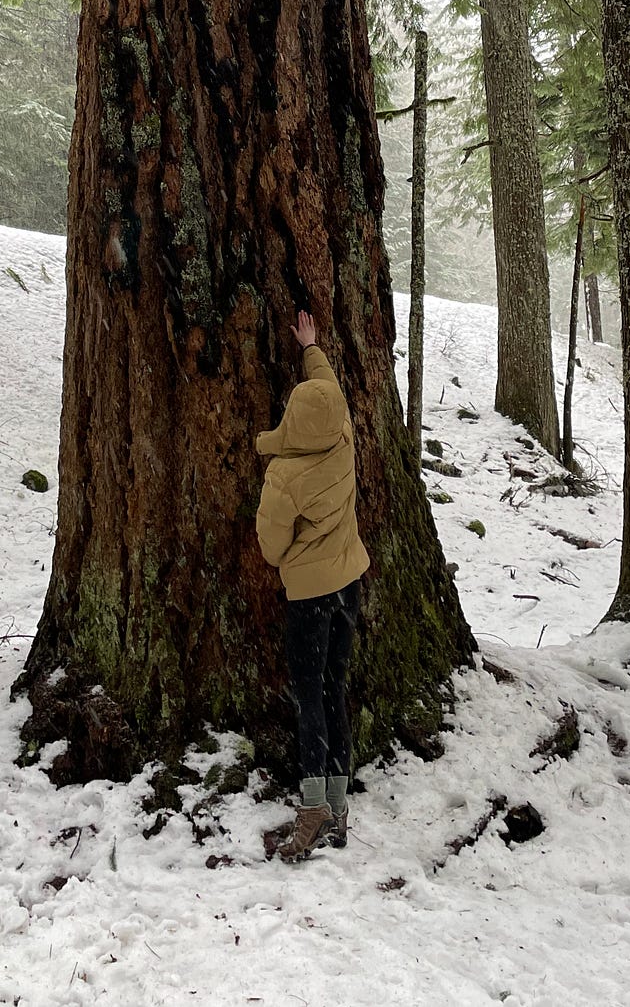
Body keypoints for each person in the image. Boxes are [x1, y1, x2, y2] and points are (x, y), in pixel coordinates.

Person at [255, 307, 370, 862]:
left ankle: (313, 806)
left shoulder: (284, 476)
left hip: (308, 598)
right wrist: (311, 348)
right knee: (334, 689)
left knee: (309, 700)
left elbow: (271, 548)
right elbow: (328, 389)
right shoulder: (342, 434)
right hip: (350, 584)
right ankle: (339, 807)